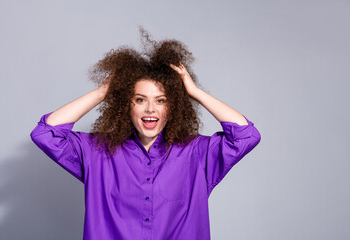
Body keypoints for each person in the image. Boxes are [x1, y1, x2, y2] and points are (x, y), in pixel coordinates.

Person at [30, 28, 261, 240]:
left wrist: (195, 92)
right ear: (125, 105)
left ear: (173, 106)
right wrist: (103, 91)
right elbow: (45, 133)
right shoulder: (97, 151)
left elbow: (245, 135)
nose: (150, 109)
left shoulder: (196, 153)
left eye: (161, 101)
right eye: (140, 100)